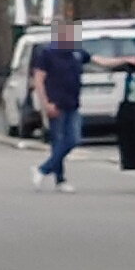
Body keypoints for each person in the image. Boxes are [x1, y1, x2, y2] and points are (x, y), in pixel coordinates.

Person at [31, 17, 90, 188]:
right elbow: (39, 80)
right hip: (55, 103)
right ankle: (60, 179)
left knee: (73, 139)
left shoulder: (76, 52)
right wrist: (46, 103)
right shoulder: (47, 53)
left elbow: (97, 59)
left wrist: (123, 60)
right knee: (58, 141)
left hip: (73, 103)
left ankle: (42, 169)